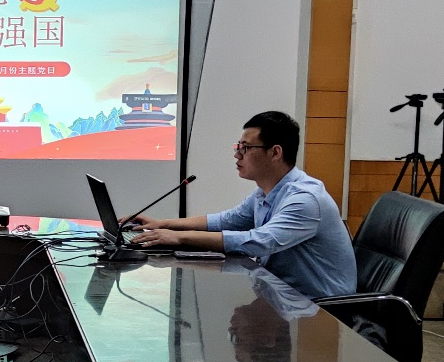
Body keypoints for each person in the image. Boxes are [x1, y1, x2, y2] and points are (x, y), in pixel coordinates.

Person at [128, 111, 357, 298]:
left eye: (245, 148)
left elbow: (259, 242)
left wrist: (179, 238)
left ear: (275, 152)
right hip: (283, 297)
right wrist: (162, 224)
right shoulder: (264, 193)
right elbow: (226, 221)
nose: (237, 155)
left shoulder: (305, 199)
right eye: (237, 147)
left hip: (321, 310)